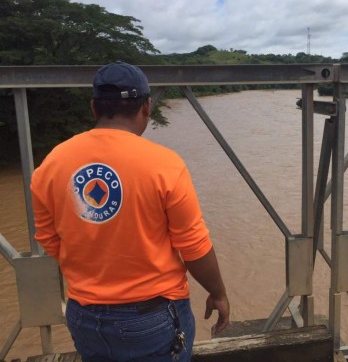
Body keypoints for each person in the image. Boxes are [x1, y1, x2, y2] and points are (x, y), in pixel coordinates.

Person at [30, 61, 230, 362]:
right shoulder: (165, 164)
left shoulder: (52, 163)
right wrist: (218, 293)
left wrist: (95, 266)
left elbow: (49, 239)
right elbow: (193, 246)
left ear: (94, 108)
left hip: (84, 315)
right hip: (151, 316)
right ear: (147, 106)